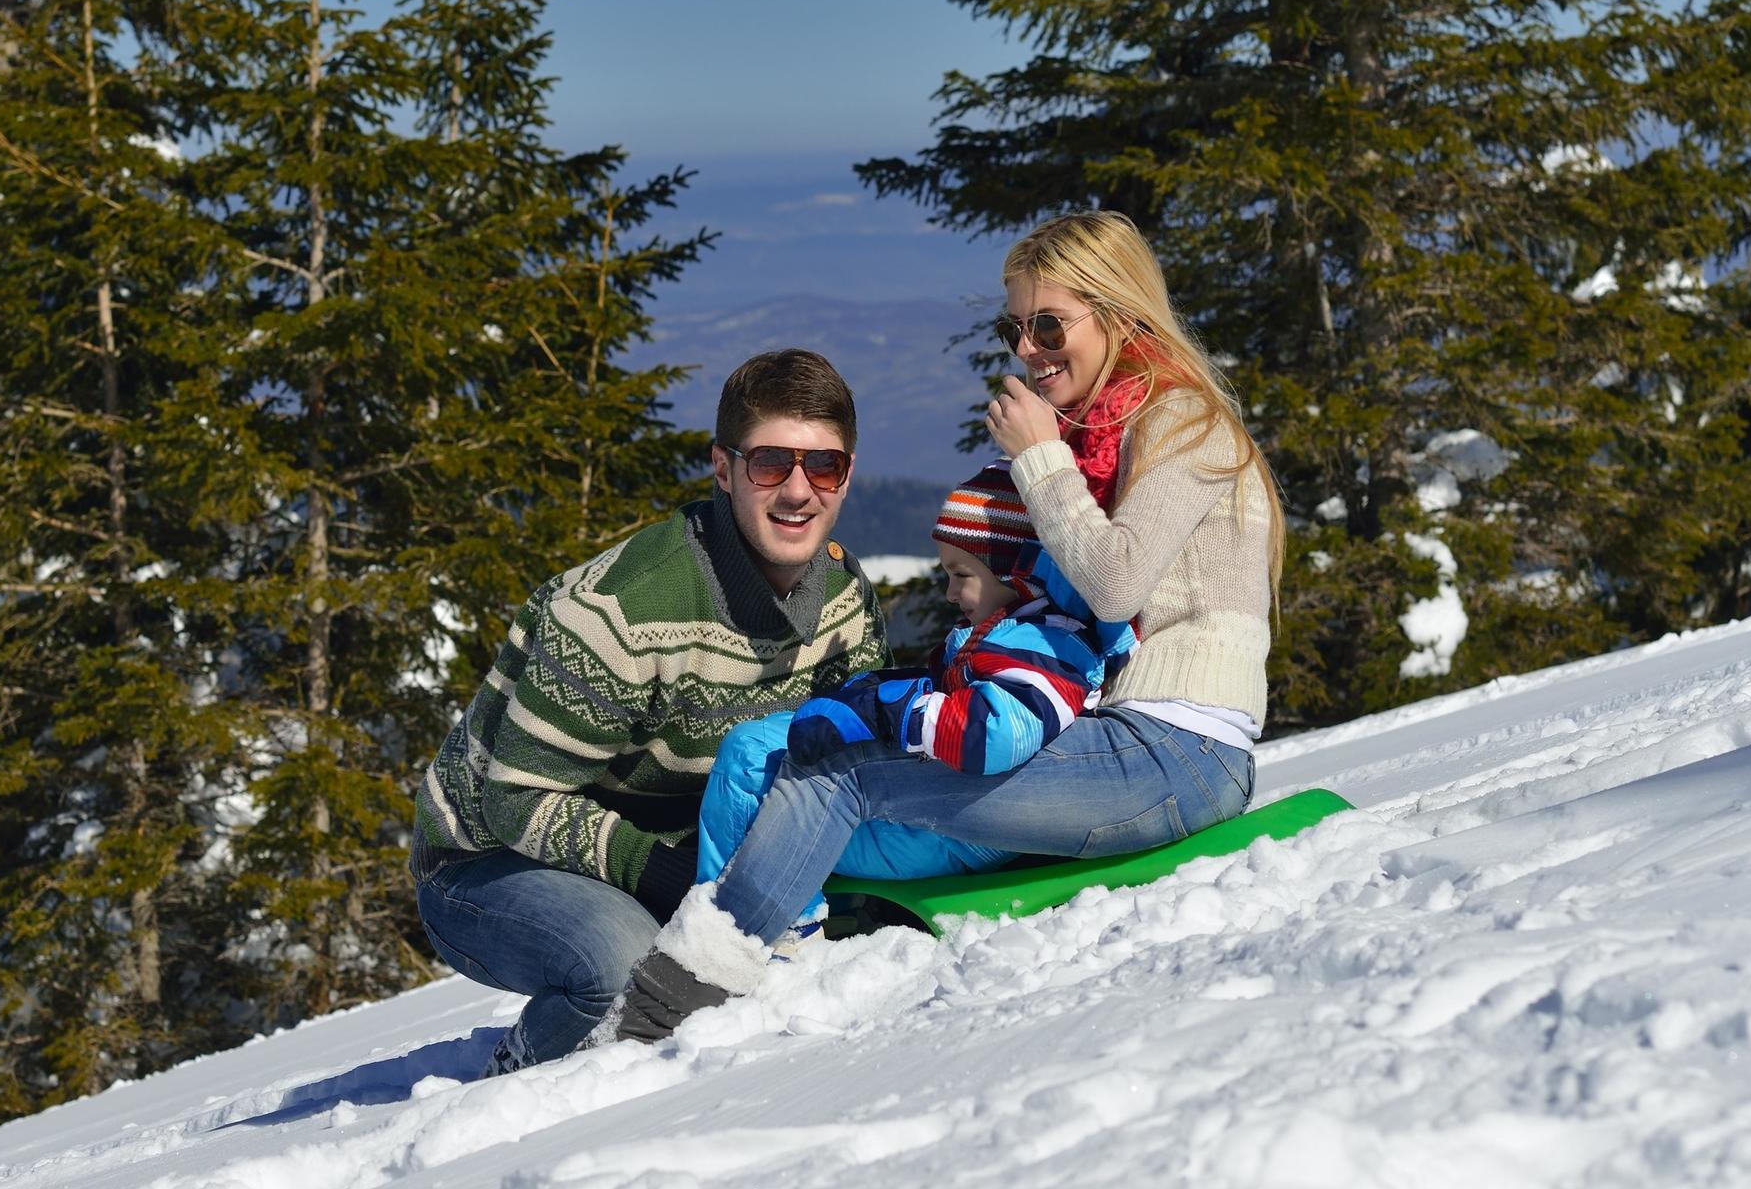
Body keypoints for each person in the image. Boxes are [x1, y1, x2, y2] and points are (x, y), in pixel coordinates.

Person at [606, 211, 1286, 1043]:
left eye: (1047, 325)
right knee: (808, 768)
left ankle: (677, 1003)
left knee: (838, 775)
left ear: (1118, 312)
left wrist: (1041, 458)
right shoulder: (1110, 434)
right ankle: (770, 957)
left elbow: (1113, 585)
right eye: (1015, 329)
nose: (1027, 350)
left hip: (1175, 752)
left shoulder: (1182, 422)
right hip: (1122, 743)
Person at [408, 349, 888, 1073]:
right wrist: (671, 877)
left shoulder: (845, 603)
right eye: (770, 464)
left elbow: (851, 760)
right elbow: (516, 799)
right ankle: (511, 1090)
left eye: (823, 466)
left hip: (685, 848)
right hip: (487, 858)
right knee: (632, 971)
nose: (798, 491)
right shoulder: (621, 612)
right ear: (722, 470)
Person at [686, 462, 1136, 920]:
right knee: (761, 744)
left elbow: (994, 734)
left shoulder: (1044, 645)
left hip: (955, 832)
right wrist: (883, 693)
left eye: (961, 574)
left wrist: (885, 711)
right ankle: (745, 914)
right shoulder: (1019, 634)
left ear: (1017, 573)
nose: (949, 592)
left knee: (750, 762)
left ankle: (743, 924)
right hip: (948, 812)